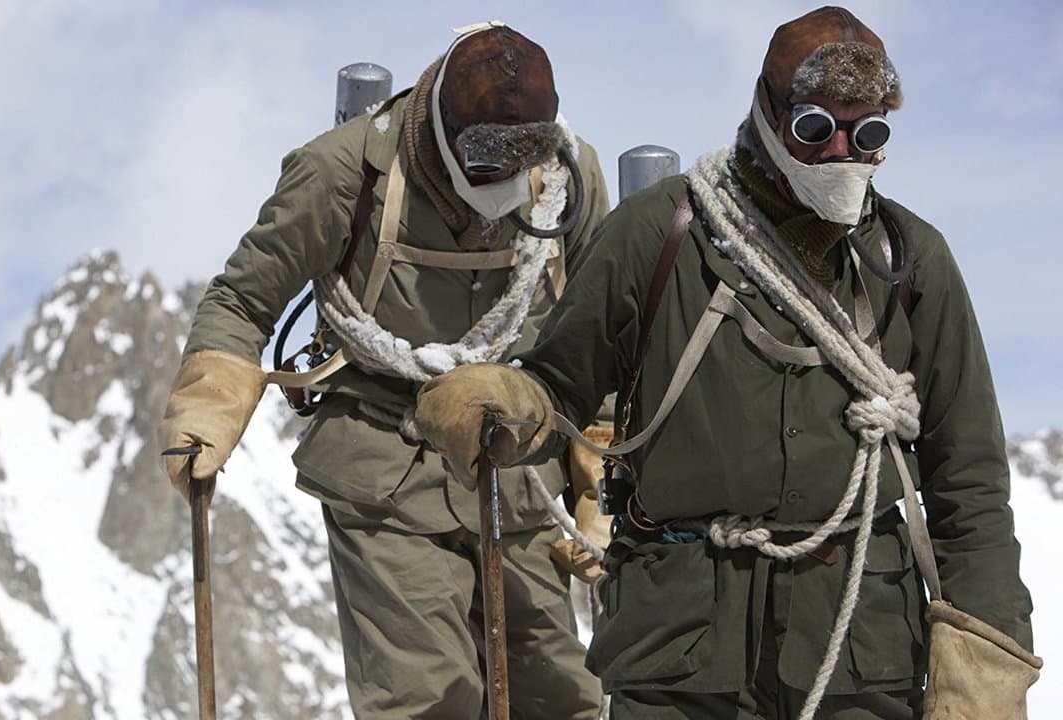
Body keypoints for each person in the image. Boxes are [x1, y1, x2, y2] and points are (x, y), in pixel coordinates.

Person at [415, 7, 1035, 719]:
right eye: (814, 127)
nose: (840, 150)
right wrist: (512, 402)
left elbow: (970, 481)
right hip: (680, 653)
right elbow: (560, 393)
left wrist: (987, 652)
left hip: (859, 652)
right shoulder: (660, 234)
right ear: (768, 112)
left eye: (865, 132)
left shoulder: (912, 262)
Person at [159, 22, 608, 719]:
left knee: (556, 694)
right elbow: (243, 298)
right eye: (489, 158)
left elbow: (600, 329)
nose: (513, 178)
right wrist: (209, 399)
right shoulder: (342, 175)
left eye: (529, 158)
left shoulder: (571, 178)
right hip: (386, 458)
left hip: (517, 460)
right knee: (428, 698)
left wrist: (596, 462)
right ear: (442, 126)